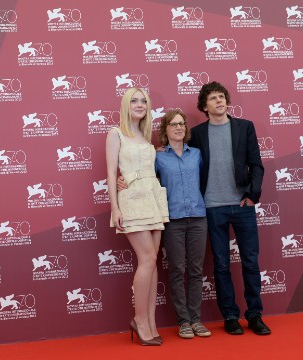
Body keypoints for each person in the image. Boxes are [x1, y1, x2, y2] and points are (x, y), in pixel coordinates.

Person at [188, 81, 271, 335]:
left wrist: (252, 195)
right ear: (204, 106)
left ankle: (255, 314)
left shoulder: (245, 127)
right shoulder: (197, 133)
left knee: (251, 263)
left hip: (242, 205)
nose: (219, 101)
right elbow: (184, 157)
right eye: (213, 98)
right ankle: (230, 316)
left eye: (222, 97)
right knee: (221, 265)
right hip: (212, 207)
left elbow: (256, 164)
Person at [106, 87, 169, 346]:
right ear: (125, 104)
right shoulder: (115, 133)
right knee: (147, 258)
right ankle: (139, 320)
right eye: (134, 100)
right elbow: (111, 173)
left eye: (144, 101)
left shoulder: (145, 136)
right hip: (131, 201)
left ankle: (151, 322)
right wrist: (115, 207)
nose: (140, 104)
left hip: (153, 198)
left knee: (152, 262)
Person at [155, 110, 211, 339]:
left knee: (196, 271)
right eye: (173, 124)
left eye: (182, 124)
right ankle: (183, 321)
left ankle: (196, 320)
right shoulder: (157, 157)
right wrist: (121, 180)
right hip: (173, 221)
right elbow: (146, 183)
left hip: (199, 217)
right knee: (177, 270)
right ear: (165, 129)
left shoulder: (197, 154)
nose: (178, 127)